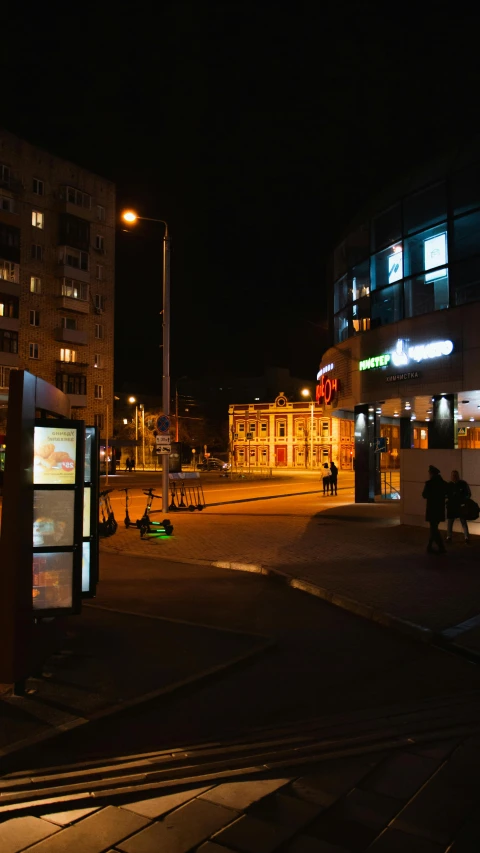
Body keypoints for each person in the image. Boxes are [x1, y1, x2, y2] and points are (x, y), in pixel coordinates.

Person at [422, 465, 447, 554]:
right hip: (439, 509)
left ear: (431, 473)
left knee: (434, 529)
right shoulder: (443, 483)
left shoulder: (429, 483)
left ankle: (441, 547)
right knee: (434, 528)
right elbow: (447, 494)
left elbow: (424, 495)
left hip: (432, 509)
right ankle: (430, 547)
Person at [446, 470, 471, 544]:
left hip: (460, 506)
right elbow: (446, 495)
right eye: (453, 475)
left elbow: (468, 494)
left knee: (462, 521)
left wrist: (464, 501)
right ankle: (449, 537)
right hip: (452, 506)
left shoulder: (462, 484)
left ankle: (466, 537)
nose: (454, 477)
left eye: (455, 475)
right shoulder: (449, 485)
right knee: (450, 522)